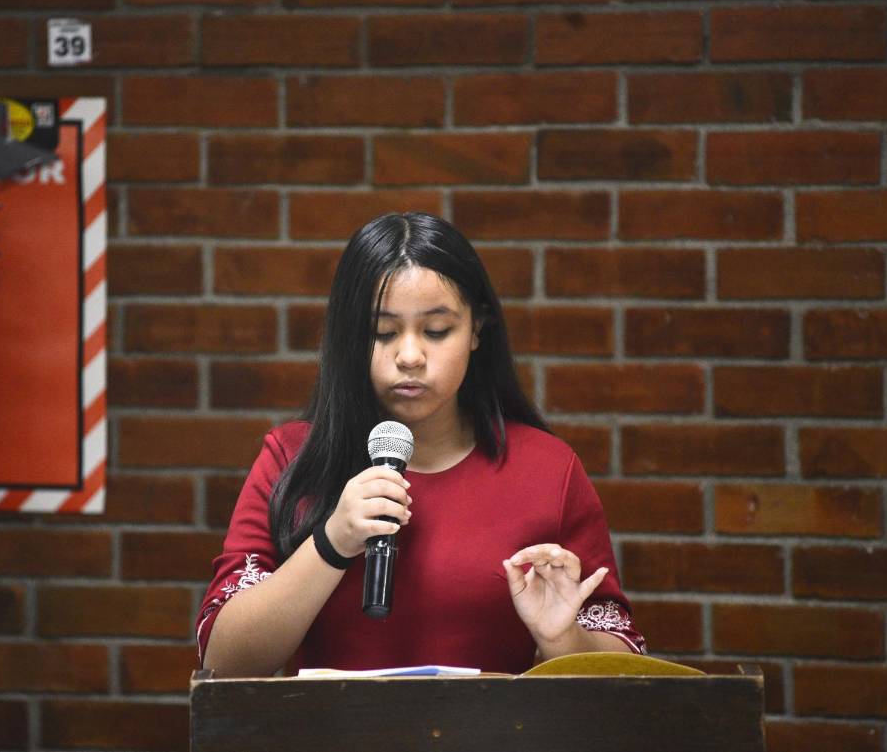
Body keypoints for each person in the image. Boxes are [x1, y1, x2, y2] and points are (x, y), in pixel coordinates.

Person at [197, 212, 645, 676]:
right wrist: (332, 542)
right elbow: (224, 663)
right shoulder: (292, 457)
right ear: (350, 337)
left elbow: (626, 676)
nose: (409, 357)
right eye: (382, 333)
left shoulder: (548, 470)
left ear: (476, 329)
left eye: (435, 331)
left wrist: (562, 638)